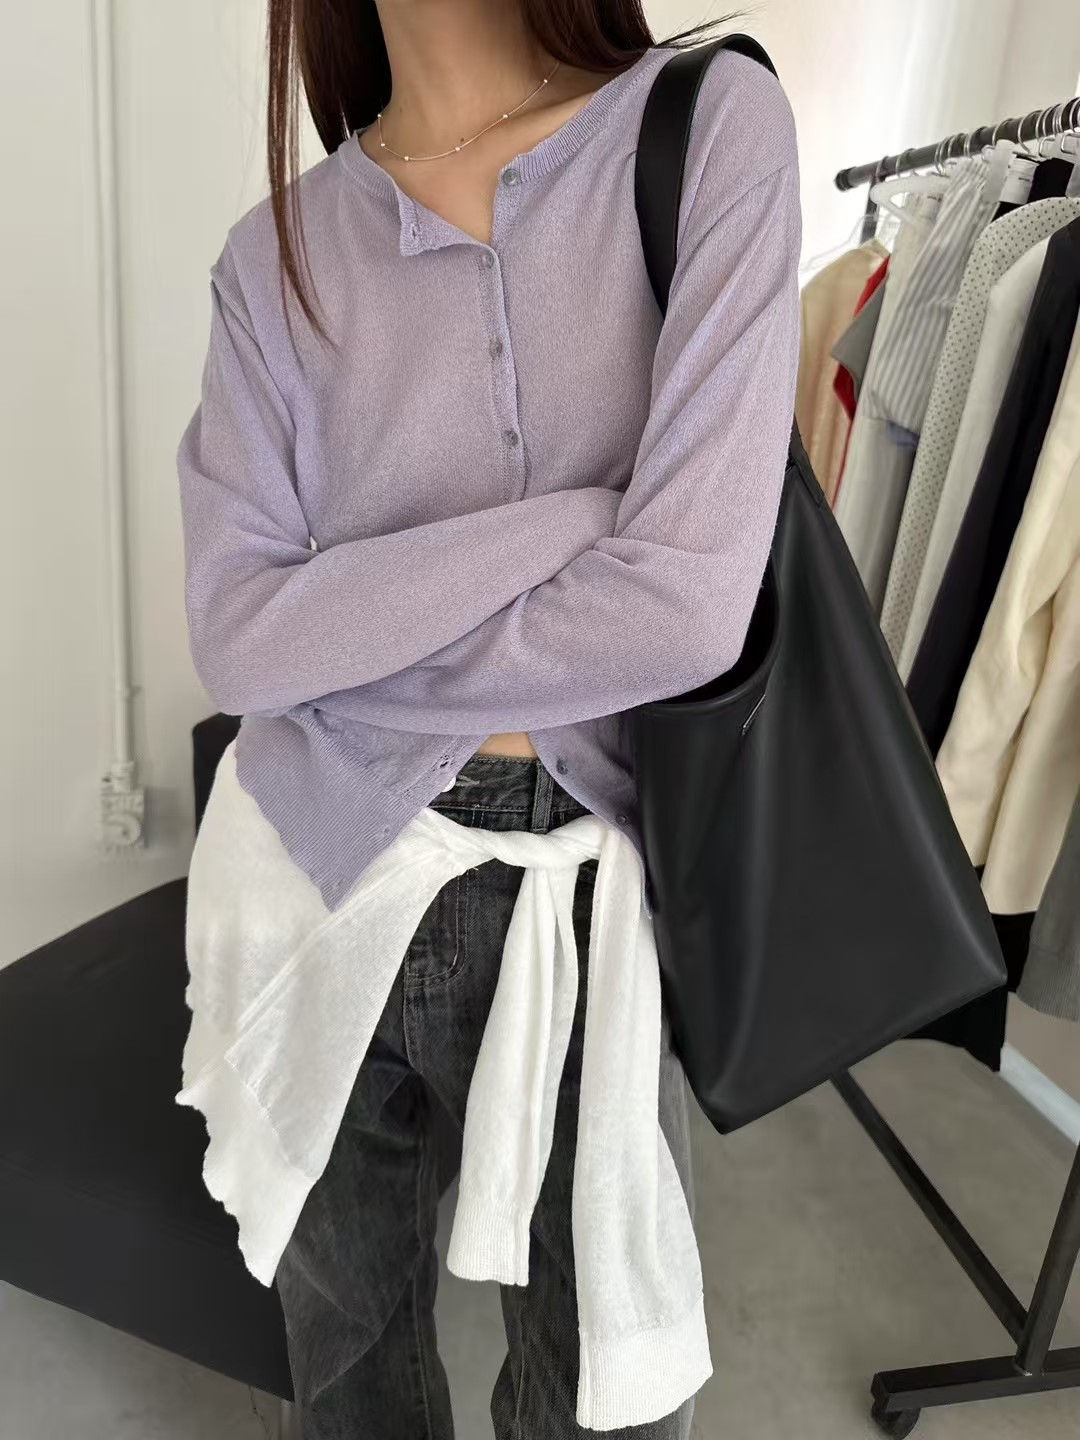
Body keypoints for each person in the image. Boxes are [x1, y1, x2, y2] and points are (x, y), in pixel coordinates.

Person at [175, 1, 801, 1435]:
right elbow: (237, 642)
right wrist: (578, 522)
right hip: (311, 870)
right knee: (346, 1371)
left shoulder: (706, 129)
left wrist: (334, 638)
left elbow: (686, 611)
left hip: (593, 880)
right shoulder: (271, 258)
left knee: (604, 1397)